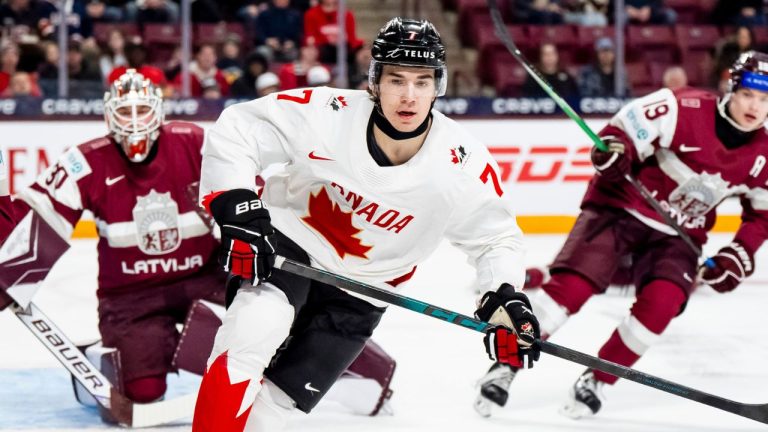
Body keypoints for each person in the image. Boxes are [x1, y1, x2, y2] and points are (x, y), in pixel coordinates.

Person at [192, 17, 540, 431]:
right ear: (374, 81)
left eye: (422, 82)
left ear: (438, 86)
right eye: (396, 80)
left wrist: (503, 296)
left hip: (365, 290)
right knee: (249, 335)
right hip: (289, 248)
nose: (409, 96)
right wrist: (237, 205)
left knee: (275, 410)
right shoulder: (327, 113)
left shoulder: (464, 165)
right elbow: (240, 128)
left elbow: (496, 239)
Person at [0, 68, 396, 422]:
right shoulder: (85, 162)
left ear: (158, 111)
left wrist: (258, 233)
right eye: (125, 113)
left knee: (266, 324)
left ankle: (357, 371)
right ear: (108, 116)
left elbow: (243, 185)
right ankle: (109, 353)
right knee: (144, 391)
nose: (134, 123)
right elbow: (41, 213)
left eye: (142, 111)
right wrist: (8, 267)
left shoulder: (191, 141)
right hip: (131, 298)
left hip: (203, 277)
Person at [474, 50, 768, 419]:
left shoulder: (765, 152)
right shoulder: (683, 106)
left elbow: (762, 214)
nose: (754, 107)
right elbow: (622, 130)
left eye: (764, 99)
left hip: (679, 237)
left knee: (662, 304)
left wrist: (737, 254)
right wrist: (616, 150)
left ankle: (599, 378)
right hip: (622, 209)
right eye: (748, 94)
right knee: (571, 288)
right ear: (731, 88)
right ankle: (505, 364)